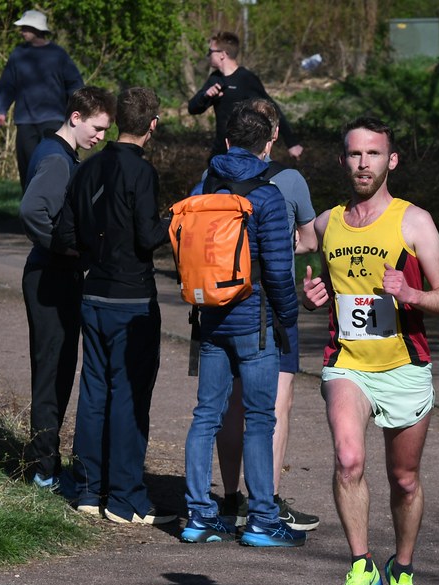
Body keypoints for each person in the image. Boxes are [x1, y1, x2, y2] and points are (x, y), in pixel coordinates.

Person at [302, 116, 439, 585]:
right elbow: (296, 252)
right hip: (347, 362)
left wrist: (410, 294)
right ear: (342, 160)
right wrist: (312, 296)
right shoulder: (327, 223)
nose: (362, 163)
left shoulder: (414, 221)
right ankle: (361, 565)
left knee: (404, 479)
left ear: (391, 161)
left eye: (372, 154)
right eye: (354, 154)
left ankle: (402, 572)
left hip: (404, 365)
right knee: (349, 461)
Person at [181, 102, 304, 548]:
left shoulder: (203, 188)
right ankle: (262, 520)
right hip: (256, 324)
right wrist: (287, 319)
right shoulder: (267, 196)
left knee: (206, 415)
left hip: (210, 320)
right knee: (259, 419)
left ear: (228, 141)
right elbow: (278, 271)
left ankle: (199, 515)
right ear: (266, 145)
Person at [50, 87, 175, 524]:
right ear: (152, 125)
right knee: (128, 395)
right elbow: (147, 236)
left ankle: (88, 489)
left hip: (93, 292)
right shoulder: (142, 172)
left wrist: (93, 253)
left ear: (118, 120)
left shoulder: (86, 168)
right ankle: (124, 498)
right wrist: (174, 222)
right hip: (132, 297)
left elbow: (65, 234)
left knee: (94, 390)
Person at [214, 98, 319, 533]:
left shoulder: (213, 177)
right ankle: (268, 502)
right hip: (269, 306)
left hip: (219, 301)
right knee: (275, 403)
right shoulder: (289, 180)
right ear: (273, 135)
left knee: (227, 405)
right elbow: (309, 240)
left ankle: (229, 499)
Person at [19, 86, 115, 489]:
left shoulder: (57, 152)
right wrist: (64, 248)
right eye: (97, 128)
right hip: (50, 277)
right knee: (52, 372)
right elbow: (31, 210)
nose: (101, 137)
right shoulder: (57, 159)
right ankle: (43, 470)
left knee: (58, 370)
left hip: (54, 274)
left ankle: (47, 463)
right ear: (75, 117)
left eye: (106, 130)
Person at [0, 9, 84, 190]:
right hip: (25, 122)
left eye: (26, 28)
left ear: (37, 29)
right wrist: (0, 110)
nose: (22, 31)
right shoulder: (19, 54)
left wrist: (78, 111)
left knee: (56, 165)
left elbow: (74, 84)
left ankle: (57, 204)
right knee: (28, 169)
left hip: (54, 120)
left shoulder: (58, 54)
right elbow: (7, 85)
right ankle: (28, 205)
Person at [187, 31, 302, 161]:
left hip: (245, 153)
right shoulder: (215, 79)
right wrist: (205, 95)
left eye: (210, 51)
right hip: (221, 152)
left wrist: (291, 143)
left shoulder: (246, 79)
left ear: (222, 54)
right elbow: (192, 108)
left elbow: (272, 110)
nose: (208, 55)